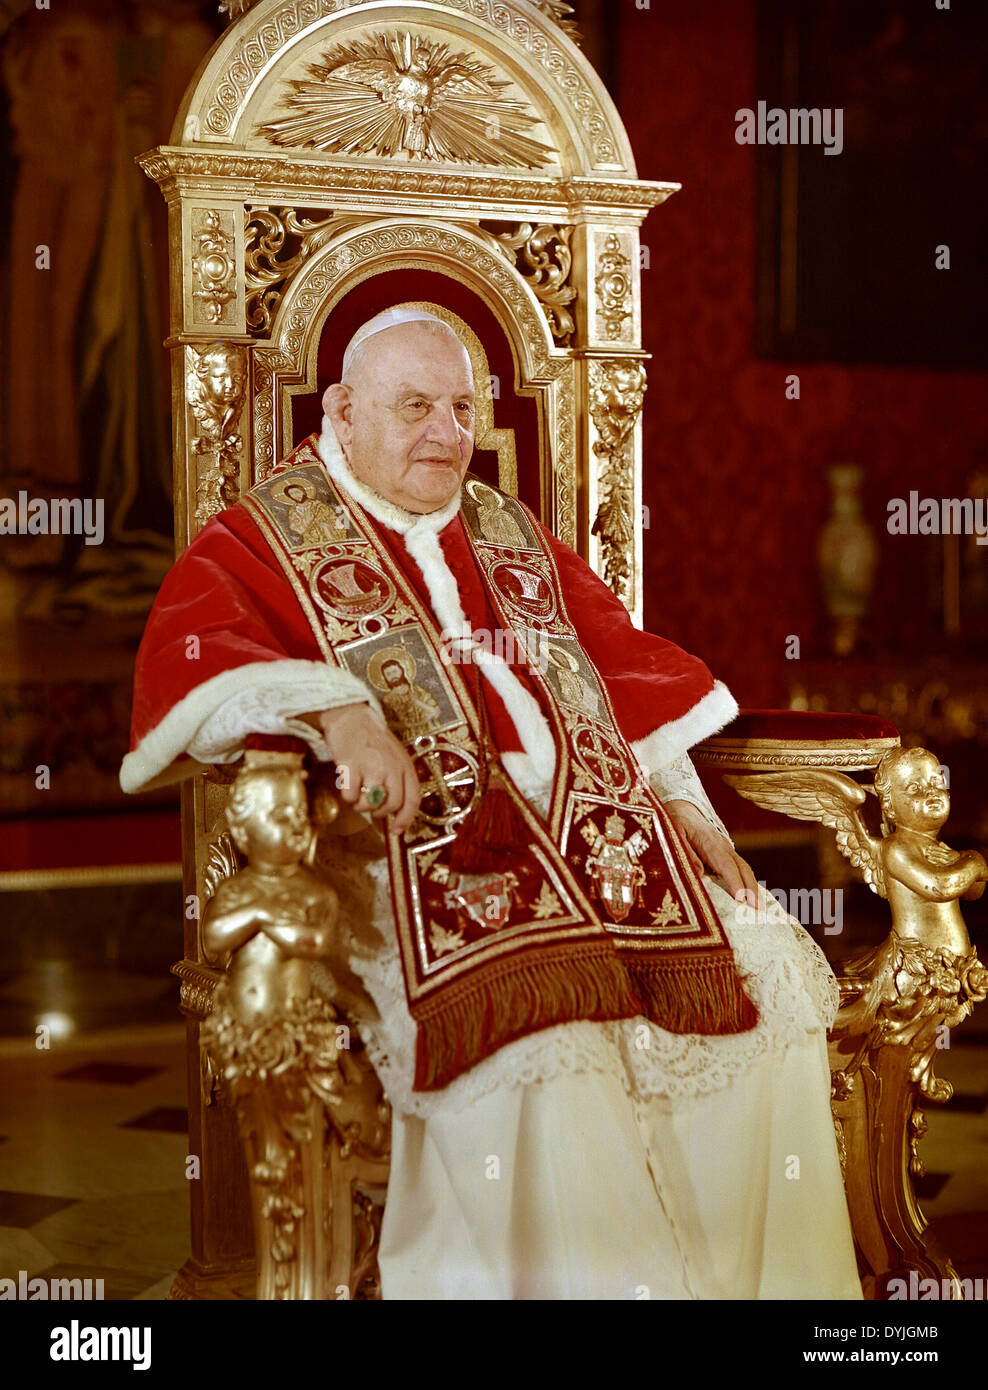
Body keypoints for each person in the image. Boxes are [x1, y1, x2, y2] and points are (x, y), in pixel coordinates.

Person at [121, 306, 861, 1300]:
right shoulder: (265, 531)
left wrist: (686, 807)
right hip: (414, 863)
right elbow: (198, 660)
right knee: (550, 1049)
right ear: (342, 409)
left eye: (462, 406)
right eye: (414, 405)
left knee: (769, 977)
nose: (445, 431)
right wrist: (340, 714)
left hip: (602, 847)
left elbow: (621, 670)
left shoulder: (506, 527)